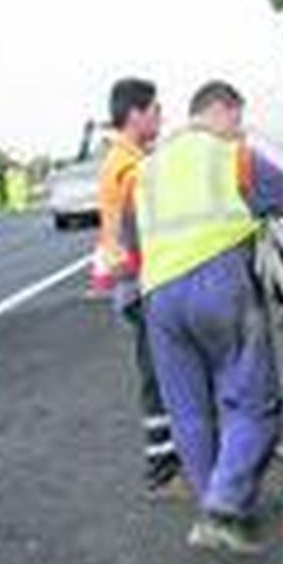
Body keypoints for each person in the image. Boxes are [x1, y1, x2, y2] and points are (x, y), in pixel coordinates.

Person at [137, 80, 283, 552]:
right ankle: (223, 509)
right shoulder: (229, 156)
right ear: (220, 110)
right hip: (217, 281)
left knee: (188, 411)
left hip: (159, 297)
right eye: (237, 120)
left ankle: (215, 506)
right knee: (253, 402)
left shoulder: (149, 168)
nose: (240, 130)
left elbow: (135, 242)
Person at [98, 77, 181, 493]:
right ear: (135, 114)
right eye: (155, 110)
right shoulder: (130, 166)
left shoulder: (127, 158)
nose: (161, 117)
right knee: (158, 378)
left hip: (134, 282)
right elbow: (145, 230)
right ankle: (162, 472)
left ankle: (170, 461)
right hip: (140, 283)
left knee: (162, 374)